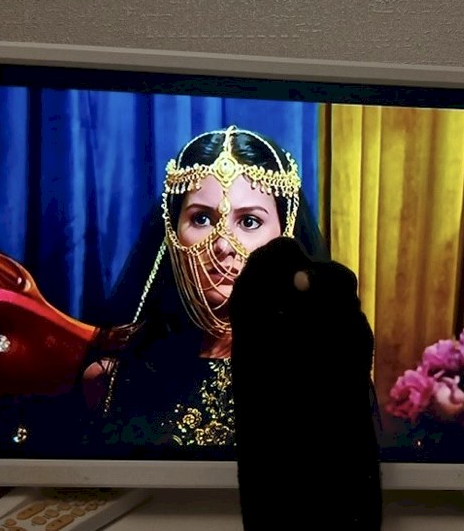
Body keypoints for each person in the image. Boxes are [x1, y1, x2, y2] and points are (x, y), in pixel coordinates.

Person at [82, 125, 329, 458]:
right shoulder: (112, 379)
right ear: (173, 233)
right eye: (201, 219)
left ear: (286, 234)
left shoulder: (325, 375)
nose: (223, 245)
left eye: (249, 221)